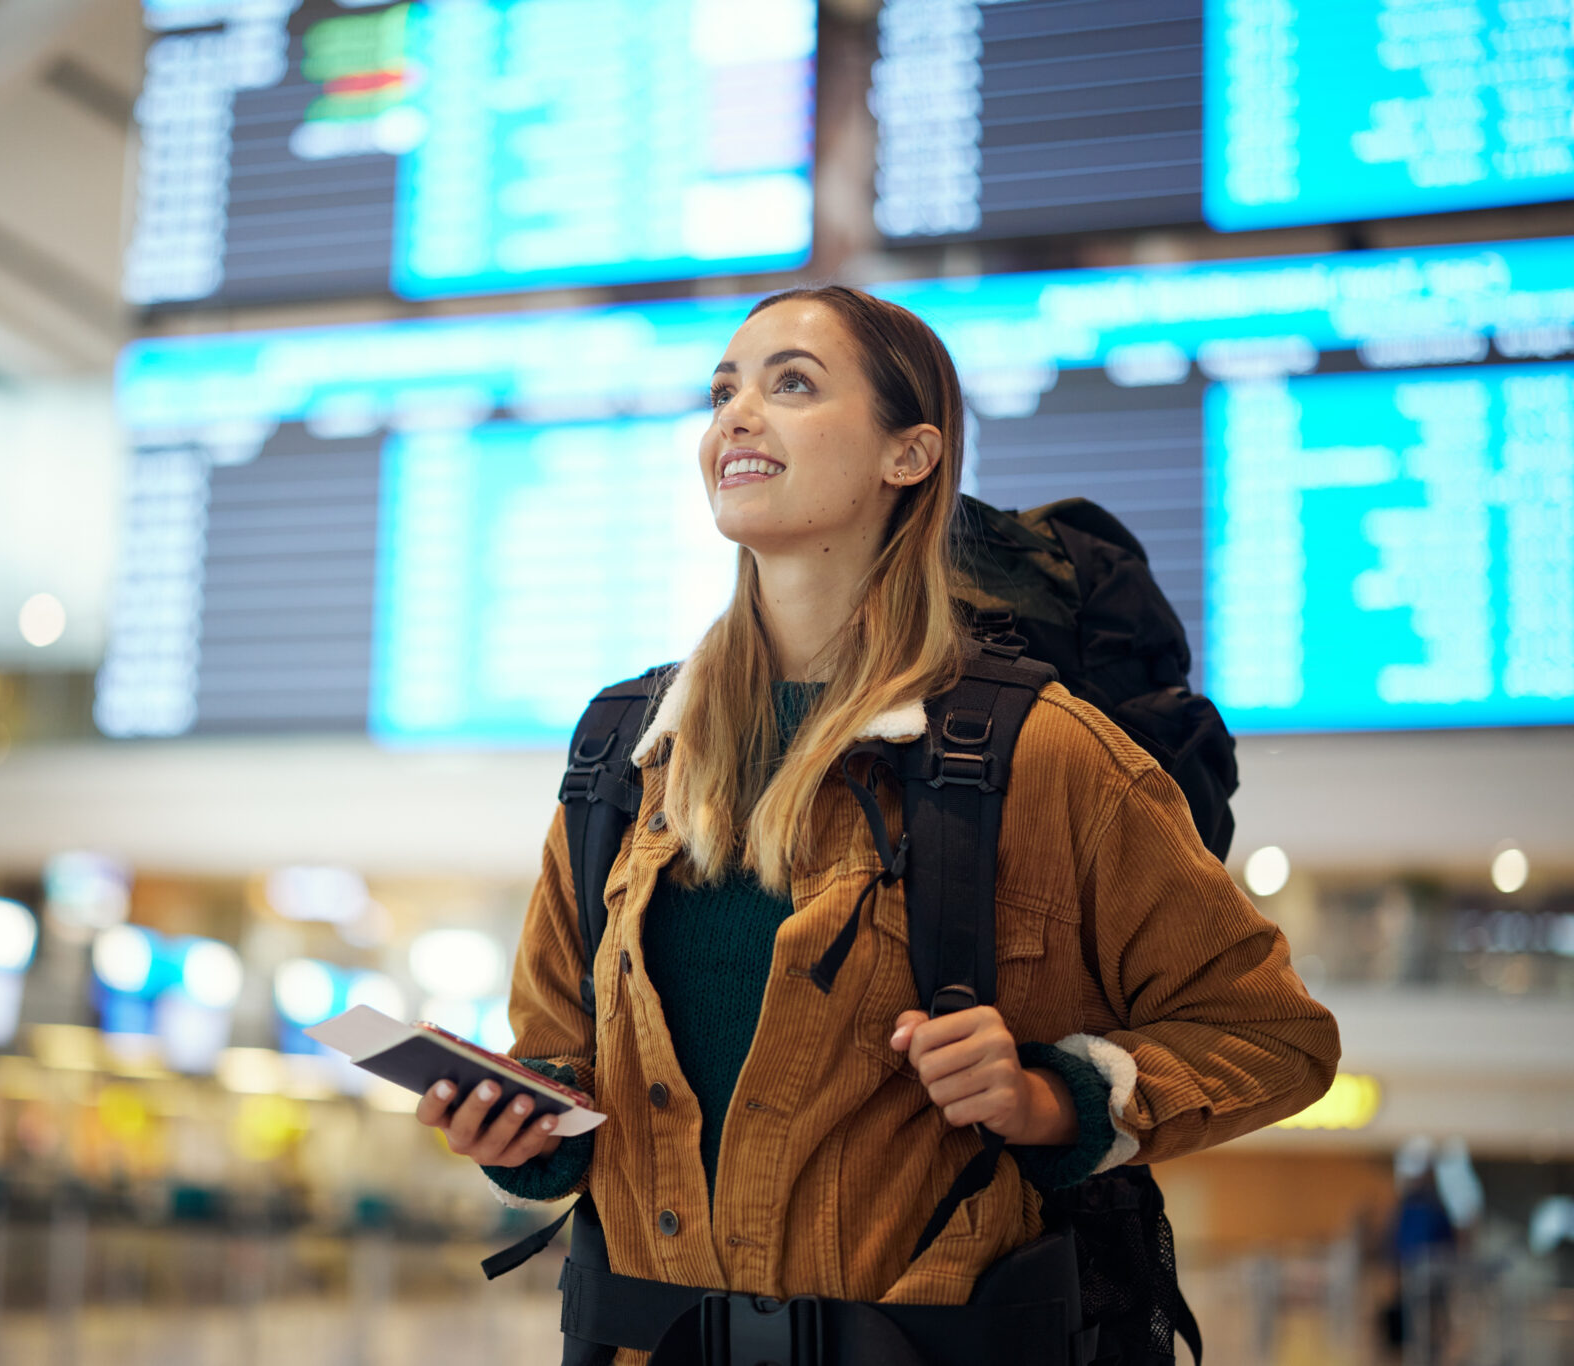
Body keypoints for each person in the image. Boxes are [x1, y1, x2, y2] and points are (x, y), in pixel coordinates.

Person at [414, 286, 1341, 1334]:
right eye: (724, 391)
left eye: (790, 385)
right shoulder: (624, 756)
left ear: (909, 455)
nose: (736, 416)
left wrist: (1052, 1098)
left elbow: (1270, 1033)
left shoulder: (1044, 753)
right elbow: (560, 1056)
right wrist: (527, 1132)